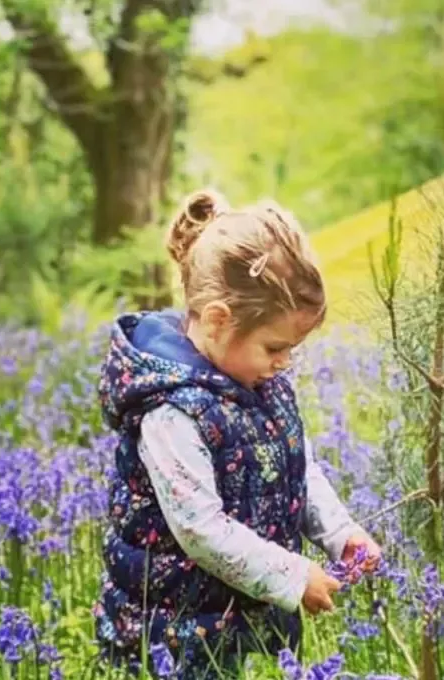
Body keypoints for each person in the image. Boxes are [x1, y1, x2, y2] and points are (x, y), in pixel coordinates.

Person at [93, 189, 382, 678]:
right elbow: (199, 530)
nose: (285, 362)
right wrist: (291, 577)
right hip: (173, 633)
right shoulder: (173, 412)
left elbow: (297, 467)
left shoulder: (261, 384)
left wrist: (338, 532)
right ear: (217, 320)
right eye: (274, 346)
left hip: (245, 617)